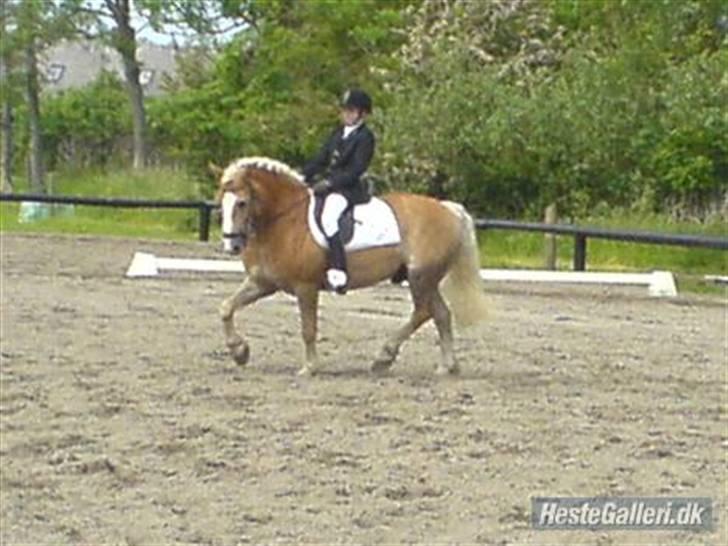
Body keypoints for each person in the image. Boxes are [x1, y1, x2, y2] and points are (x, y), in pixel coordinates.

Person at [302, 89, 375, 294]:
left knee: (329, 217)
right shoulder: (337, 133)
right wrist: (300, 176)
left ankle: (339, 270)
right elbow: (320, 159)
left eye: (351, 111)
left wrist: (329, 183)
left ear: (362, 114)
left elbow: (356, 169)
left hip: (349, 189)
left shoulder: (365, 138)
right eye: (345, 111)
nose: (346, 115)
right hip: (329, 185)